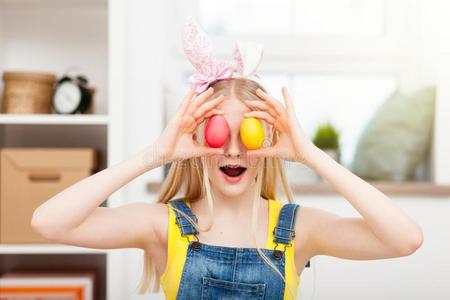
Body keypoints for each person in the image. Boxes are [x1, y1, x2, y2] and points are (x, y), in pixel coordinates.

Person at [31, 18, 423, 300]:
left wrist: (310, 155)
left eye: (248, 135)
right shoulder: (164, 226)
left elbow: (405, 239)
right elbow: (48, 223)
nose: (234, 149)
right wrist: (156, 154)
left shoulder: (299, 229)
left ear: (269, 144)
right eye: (219, 134)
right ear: (198, 141)